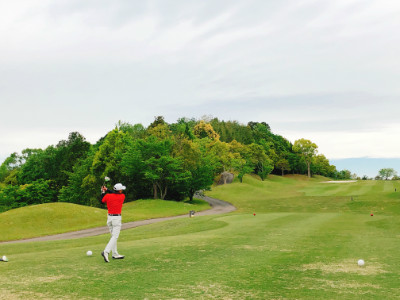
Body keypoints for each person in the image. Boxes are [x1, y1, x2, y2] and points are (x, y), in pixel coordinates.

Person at [100, 183, 126, 263]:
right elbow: (115, 194)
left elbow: (102, 201)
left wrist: (103, 191)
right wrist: (107, 190)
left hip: (109, 218)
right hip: (116, 219)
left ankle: (115, 254)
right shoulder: (122, 196)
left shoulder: (108, 196)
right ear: (120, 190)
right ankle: (106, 251)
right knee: (115, 236)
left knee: (113, 236)